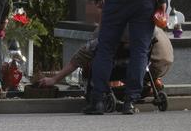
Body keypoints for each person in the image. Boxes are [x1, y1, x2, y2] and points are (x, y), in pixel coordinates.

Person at [38, 26, 173, 89]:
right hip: (164, 61)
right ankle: (152, 83)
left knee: (101, 61)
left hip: (145, 67)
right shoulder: (140, 18)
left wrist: (55, 79)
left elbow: (79, 57)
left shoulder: (111, 30)